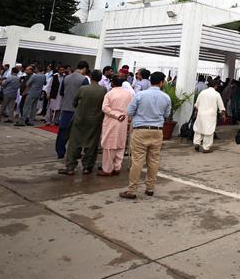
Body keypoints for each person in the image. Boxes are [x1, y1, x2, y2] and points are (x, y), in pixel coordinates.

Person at [119, 71, 172, 199]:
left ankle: (132, 190)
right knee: (153, 160)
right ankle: (150, 188)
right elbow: (166, 115)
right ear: (161, 83)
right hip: (157, 131)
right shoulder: (166, 97)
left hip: (140, 130)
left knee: (137, 161)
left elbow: (129, 111)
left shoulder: (140, 95)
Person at [59, 69, 108, 175]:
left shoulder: (83, 89)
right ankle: (87, 167)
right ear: (100, 78)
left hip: (80, 118)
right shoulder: (103, 90)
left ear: (90, 77)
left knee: (75, 143)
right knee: (91, 144)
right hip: (95, 120)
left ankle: (70, 167)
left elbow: (74, 102)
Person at [56, 61, 90, 159]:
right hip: (77, 110)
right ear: (84, 68)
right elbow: (85, 96)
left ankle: (60, 152)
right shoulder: (84, 80)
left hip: (66, 107)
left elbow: (61, 92)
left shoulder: (66, 78)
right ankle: (75, 152)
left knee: (62, 131)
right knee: (76, 132)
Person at [100, 75, 132, 176]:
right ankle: (117, 167)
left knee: (109, 145)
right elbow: (131, 108)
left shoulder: (109, 94)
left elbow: (105, 108)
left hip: (112, 121)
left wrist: (116, 115)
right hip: (123, 121)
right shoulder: (128, 94)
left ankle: (107, 169)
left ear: (112, 83)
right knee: (120, 144)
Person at [192, 77, 227, 153]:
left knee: (198, 129)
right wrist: (223, 115)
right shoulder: (216, 94)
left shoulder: (202, 92)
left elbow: (196, 105)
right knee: (209, 131)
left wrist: (196, 113)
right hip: (210, 116)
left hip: (201, 114)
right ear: (216, 86)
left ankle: (196, 143)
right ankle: (206, 148)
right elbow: (221, 107)